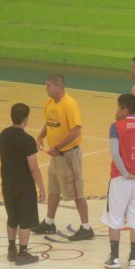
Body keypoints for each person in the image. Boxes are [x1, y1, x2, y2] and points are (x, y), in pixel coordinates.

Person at [34, 74, 93, 241]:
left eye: (49, 85)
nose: (46, 88)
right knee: (53, 189)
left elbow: (76, 131)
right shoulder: (49, 102)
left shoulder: (70, 104)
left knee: (76, 191)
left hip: (68, 156)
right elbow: (49, 122)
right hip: (56, 156)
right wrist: (40, 136)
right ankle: (49, 222)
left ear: (59, 87)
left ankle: (86, 227)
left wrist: (57, 147)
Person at [102, 94, 135, 269]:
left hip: (121, 178)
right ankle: (133, 259)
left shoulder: (116, 127)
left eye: (118, 108)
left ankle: (115, 258)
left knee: (115, 218)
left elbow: (115, 154)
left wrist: (125, 173)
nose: (116, 112)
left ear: (125, 110)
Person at [0, 103, 46, 265]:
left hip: (7, 184)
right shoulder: (27, 140)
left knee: (12, 218)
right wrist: (41, 187)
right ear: (26, 119)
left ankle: (11, 249)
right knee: (25, 219)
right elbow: (34, 168)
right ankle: (23, 253)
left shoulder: (3, 135)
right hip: (24, 186)